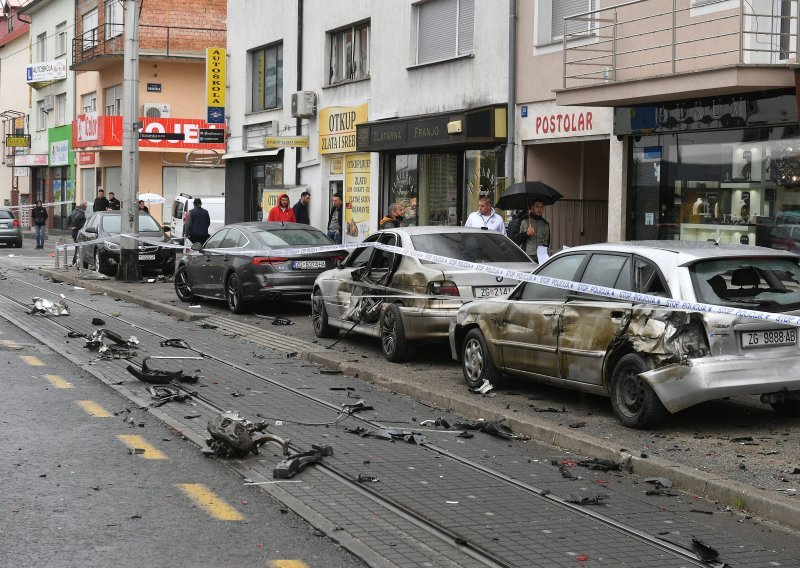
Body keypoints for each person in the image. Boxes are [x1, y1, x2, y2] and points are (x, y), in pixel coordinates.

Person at [67, 201, 88, 266]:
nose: (86, 207)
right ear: (83, 206)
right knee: (79, 246)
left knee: (78, 246)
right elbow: (76, 219)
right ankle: (75, 261)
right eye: (86, 206)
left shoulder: (75, 210)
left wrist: (70, 226)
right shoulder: (81, 212)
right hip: (78, 231)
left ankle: (75, 261)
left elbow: (68, 219)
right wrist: (75, 226)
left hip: (74, 231)